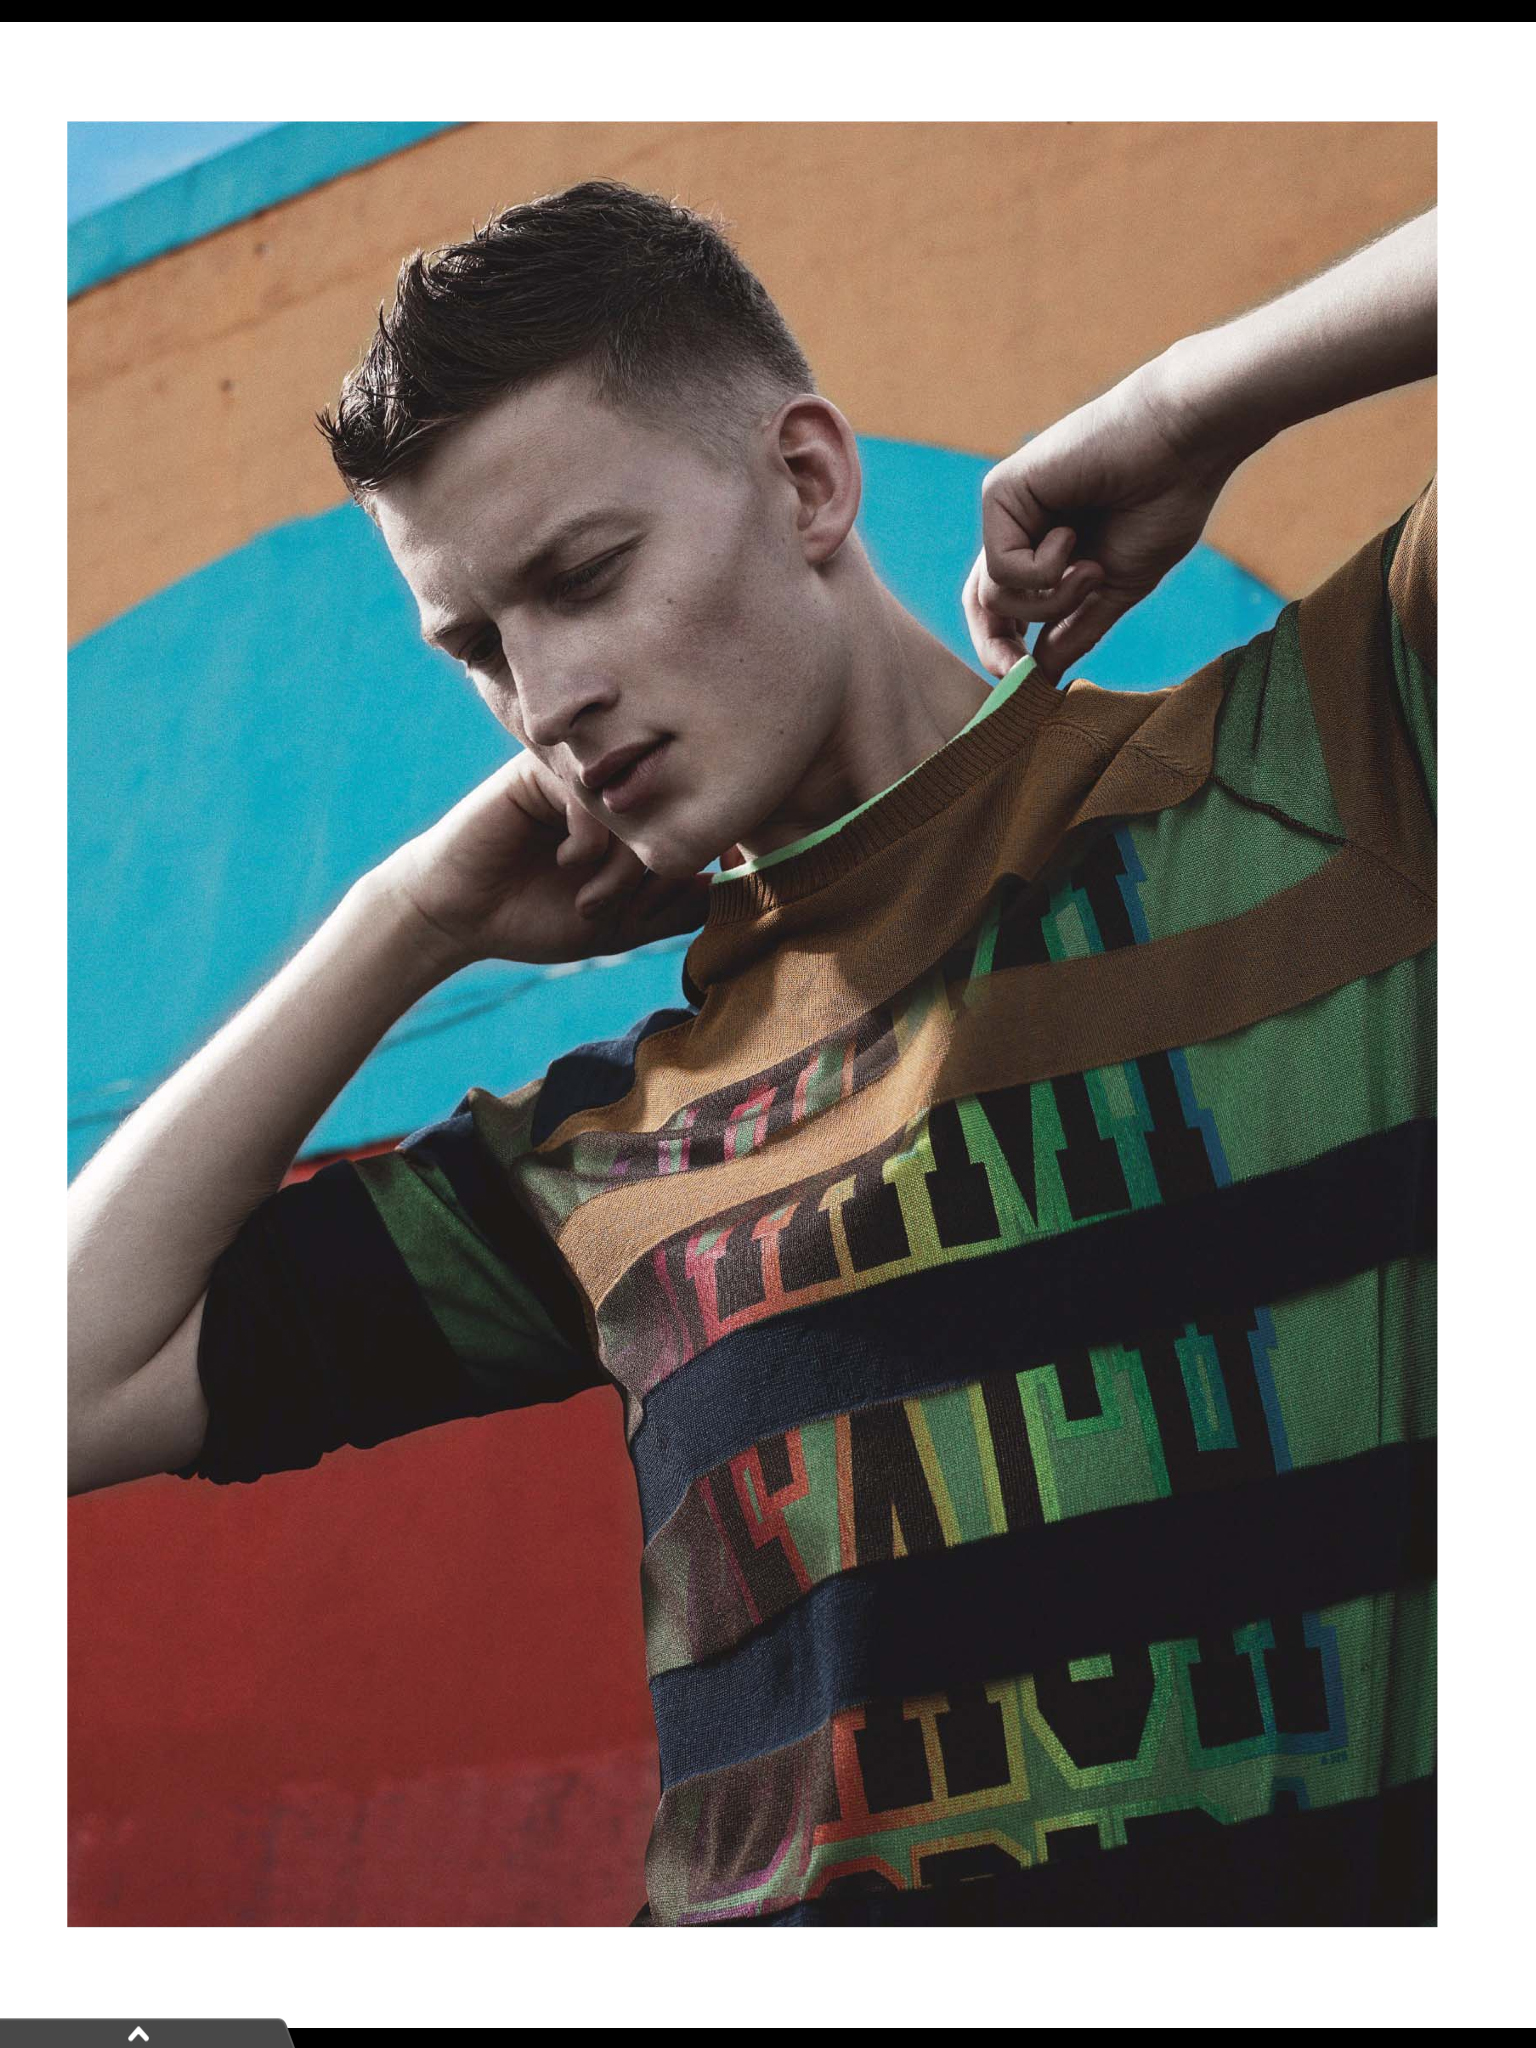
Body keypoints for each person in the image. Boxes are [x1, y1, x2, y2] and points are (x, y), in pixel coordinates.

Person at [67, 181, 1436, 1926]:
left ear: (805, 480)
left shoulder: (1334, 766)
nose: (546, 698)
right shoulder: (612, 1139)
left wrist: (1192, 399)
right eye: (479, 647)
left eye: (583, 577)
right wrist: (406, 918)